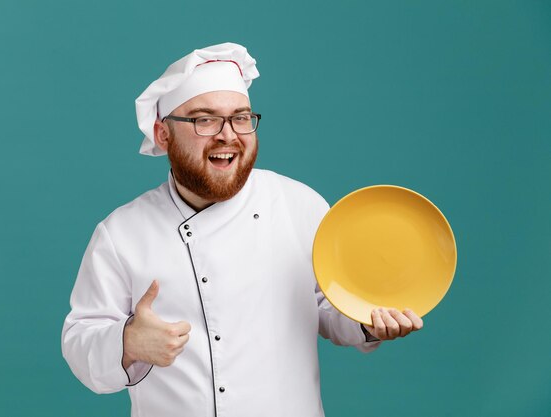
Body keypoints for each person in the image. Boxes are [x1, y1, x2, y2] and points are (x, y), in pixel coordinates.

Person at [61, 42, 423, 417]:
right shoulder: (121, 233)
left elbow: (328, 307)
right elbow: (79, 341)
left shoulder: (299, 205)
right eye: (204, 119)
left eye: (241, 117)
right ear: (162, 133)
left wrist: (368, 322)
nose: (228, 134)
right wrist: (127, 342)